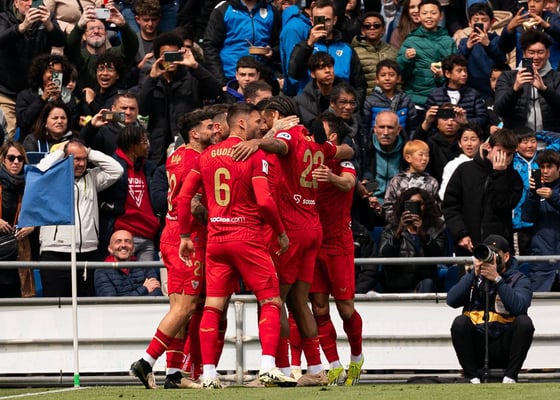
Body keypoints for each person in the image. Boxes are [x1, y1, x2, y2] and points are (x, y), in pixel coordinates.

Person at [231, 96, 353, 387]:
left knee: (273, 301)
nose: (263, 125)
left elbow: (279, 145)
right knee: (300, 302)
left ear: (275, 115)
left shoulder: (287, 136)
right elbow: (346, 150)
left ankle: (279, 371)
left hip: (290, 230)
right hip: (313, 227)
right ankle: (317, 369)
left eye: (265, 119)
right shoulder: (313, 140)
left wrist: (259, 142)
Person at [177, 103, 297, 389]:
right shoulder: (253, 154)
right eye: (257, 121)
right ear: (241, 124)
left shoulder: (205, 156)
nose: (261, 126)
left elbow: (183, 197)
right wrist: (280, 233)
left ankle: (208, 374)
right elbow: (265, 201)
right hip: (247, 237)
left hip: (216, 240)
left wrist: (184, 235)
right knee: (270, 300)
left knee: (213, 306)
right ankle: (268, 367)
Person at [129, 109, 216, 390]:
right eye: (208, 127)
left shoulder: (176, 156)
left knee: (180, 309)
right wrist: (215, 217)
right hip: (186, 239)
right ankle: (146, 361)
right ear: (194, 133)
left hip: (170, 234)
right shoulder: (196, 159)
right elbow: (189, 202)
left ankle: (174, 374)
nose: (214, 130)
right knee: (186, 307)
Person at [309, 112, 365, 386]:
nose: (313, 135)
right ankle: (333, 365)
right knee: (319, 308)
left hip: (338, 244)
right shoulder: (307, 160)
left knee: (345, 308)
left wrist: (331, 176)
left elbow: (348, 183)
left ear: (331, 136)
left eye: (319, 131)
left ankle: (357, 357)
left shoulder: (343, 162)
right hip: (312, 244)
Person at [37, 139, 124, 297]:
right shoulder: (51, 178)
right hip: (56, 251)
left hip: (88, 252)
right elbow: (39, 170)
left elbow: (117, 170)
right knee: (55, 305)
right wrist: (61, 151)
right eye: (76, 159)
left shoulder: (92, 177)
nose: (82, 163)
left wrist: (89, 152)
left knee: (86, 305)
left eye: (84, 159)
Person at [447, 234, 535, 384]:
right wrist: (473, 275)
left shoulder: (519, 279)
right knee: (460, 322)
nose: (489, 259)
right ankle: (472, 377)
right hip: (479, 343)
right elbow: (452, 300)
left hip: (504, 344)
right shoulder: (475, 278)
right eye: (487, 253)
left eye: (494, 254)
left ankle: (510, 377)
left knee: (524, 323)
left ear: (506, 257)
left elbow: (519, 307)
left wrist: (497, 280)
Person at [138, 32, 222, 165]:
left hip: (188, 145)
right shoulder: (151, 78)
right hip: (157, 150)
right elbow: (142, 109)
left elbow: (216, 92)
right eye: (166, 55)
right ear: (158, 57)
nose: (171, 60)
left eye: (174, 54)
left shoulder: (193, 77)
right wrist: (152, 79)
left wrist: (195, 66)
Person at [442, 129, 523, 259]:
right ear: (488, 147)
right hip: (467, 244)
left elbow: (503, 205)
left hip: (498, 246)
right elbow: (450, 206)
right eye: (500, 152)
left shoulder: (514, 178)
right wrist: (460, 234)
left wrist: (499, 175)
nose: (504, 158)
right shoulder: (465, 170)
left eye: (509, 154)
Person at [0, 0, 66, 137]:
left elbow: (61, 41)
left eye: (33, 0)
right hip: (7, 91)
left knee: (40, 132)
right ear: (16, 3)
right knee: (9, 135)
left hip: (34, 92)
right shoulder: (5, 18)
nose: (30, 4)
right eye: (25, 0)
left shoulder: (47, 17)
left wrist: (49, 25)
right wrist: (22, 27)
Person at [289, 0, 367, 107]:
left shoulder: (347, 49)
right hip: (310, 108)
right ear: (311, 21)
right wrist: (309, 44)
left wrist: (354, 108)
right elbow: (294, 74)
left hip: (342, 108)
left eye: (327, 20)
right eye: (319, 20)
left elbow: (360, 85)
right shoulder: (303, 47)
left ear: (334, 20)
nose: (323, 24)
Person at [98, 125, 159, 261]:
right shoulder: (113, 167)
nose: (148, 146)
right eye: (144, 142)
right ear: (132, 145)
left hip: (147, 235)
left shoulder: (149, 168)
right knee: (119, 275)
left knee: (147, 275)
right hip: (122, 236)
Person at [378, 187, 447, 293]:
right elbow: (384, 254)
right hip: (397, 285)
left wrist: (423, 235)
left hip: (425, 284)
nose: (416, 207)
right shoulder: (390, 229)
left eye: (419, 204)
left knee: (427, 283)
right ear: (404, 206)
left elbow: (438, 255)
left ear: (425, 206)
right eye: (411, 203)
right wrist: (398, 232)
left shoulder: (435, 230)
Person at [495, 30, 560, 132]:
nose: (536, 57)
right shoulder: (508, 77)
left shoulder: (557, 78)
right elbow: (499, 110)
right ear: (524, 54)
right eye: (531, 52)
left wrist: (545, 90)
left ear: (548, 53)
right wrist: (515, 89)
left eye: (540, 52)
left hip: (551, 138)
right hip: (517, 138)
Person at [203, 0, 280, 86]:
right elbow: (210, 46)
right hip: (231, 77)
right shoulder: (223, 9)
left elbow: (280, 44)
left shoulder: (271, 10)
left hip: (263, 78)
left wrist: (272, 52)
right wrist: (220, 82)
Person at [396, 0, 457, 108]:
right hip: (415, 99)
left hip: (442, 99)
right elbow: (401, 74)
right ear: (419, 16)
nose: (429, 16)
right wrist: (405, 59)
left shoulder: (448, 41)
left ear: (441, 16)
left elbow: (455, 72)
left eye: (433, 13)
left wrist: (441, 77)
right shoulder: (410, 41)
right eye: (424, 13)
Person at [64, 5, 139, 91]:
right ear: (84, 36)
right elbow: (70, 48)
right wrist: (79, 27)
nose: (96, 31)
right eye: (91, 29)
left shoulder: (115, 54)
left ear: (106, 34)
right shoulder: (80, 56)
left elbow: (131, 46)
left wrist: (123, 25)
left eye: (100, 28)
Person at [15, 54, 80, 141]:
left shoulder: (68, 95)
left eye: (58, 73)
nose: (54, 76)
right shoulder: (26, 95)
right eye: (51, 72)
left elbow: (72, 122)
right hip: (34, 140)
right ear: (41, 73)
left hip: (62, 140)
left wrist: (58, 100)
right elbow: (23, 122)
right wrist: (43, 99)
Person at [522, 149, 560, 292]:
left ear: (559, 168)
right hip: (542, 259)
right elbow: (527, 217)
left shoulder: (553, 193)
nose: (545, 171)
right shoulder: (535, 190)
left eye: (549, 167)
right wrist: (533, 194)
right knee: (540, 302)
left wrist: (553, 197)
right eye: (542, 167)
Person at [0, 141, 34, 297]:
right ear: (3, 159)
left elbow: (40, 214)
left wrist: (32, 226)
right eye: (11, 158)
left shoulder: (29, 186)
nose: (16, 162)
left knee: (15, 298)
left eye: (20, 158)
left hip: (18, 249)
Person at [457, 3, 507, 100]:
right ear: (469, 23)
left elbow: (502, 59)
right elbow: (457, 63)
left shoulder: (496, 40)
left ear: (492, 22)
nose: (480, 23)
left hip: (493, 89)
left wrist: (488, 44)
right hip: (470, 91)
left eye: (484, 20)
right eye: (476, 20)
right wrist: (467, 47)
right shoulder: (464, 42)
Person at [361, 59, 418, 142]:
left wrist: (408, 143)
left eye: (391, 75)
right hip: (375, 145)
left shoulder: (406, 100)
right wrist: (367, 144)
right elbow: (364, 127)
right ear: (377, 79)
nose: (387, 78)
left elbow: (413, 127)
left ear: (398, 78)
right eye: (383, 75)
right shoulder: (370, 101)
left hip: (402, 144)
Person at [424, 54, 488, 129]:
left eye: (465, 71)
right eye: (459, 71)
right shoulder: (435, 95)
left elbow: (483, 118)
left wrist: (466, 122)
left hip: (466, 133)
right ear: (448, 73)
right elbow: (429, 120)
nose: (464, 74)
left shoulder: (473, 94)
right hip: (441, 134)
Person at [383, 139, 439, 222]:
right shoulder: (397, 180)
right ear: (408, 158)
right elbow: (388, 205)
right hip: (400, 224)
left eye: (427, 155)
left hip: (426, 225)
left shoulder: (432, 182)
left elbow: (436, 207)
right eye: (420, 155)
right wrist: (397, 222)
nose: (425, 158)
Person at [94, 229, 162, 296]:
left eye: (127, 241)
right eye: (118, 242)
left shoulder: (145, 267)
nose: (123, 245)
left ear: (133, 248)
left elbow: (157, 293)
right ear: (110, 249)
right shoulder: (101, 271)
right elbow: (111, 301)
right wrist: (144, 289)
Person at [362, 110, 405, 205]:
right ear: (374, 129)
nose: (385, 132)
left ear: (398, 130)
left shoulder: (406, 150)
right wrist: (369, 194)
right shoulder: (366, 148)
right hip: (372, 200)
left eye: (390, 127)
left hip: (398, 202)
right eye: (381, 127)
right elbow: (367, 176)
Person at [79, 92, 140, 156]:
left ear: (138, 110)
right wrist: (91, 127)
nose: (128, 112)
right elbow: (83, 145)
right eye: (124, 108)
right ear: (113, 109)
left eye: (132, 109)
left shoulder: (143, 131)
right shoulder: (102, 129)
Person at [352, 11, 398, 94]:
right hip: (366, 99)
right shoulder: (354, 52)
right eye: (367, 26)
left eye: (376, 26)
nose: (372, 28)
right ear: (362, 31)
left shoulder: (393, 52)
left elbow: (399, 80)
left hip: (391, 98)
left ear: (383, 29)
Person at [294, 51, 342, 128]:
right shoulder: (300, 102)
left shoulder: (346, 96)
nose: (327, 70)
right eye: (321, 68)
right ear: (313, 74)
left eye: (330, 66)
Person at [439, 123, 482, 201]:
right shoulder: (452, 165)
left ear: (481, 142)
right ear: (459, 143)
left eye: (473, 139)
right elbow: (444, 193)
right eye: (465, 139)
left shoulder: (486, 164)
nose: (469, 144)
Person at [280, 1, 313, 96]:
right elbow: (292, 68)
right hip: (302, 93)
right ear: (313, 4)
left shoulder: (309, 24)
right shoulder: (294, 28)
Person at [81, 53, 127, 117]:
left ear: (117, 75)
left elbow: (121, 117)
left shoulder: (122, 96)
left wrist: (91, 102)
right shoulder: (91, 92)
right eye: (101, 69)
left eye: (110, 70)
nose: (105, 73)